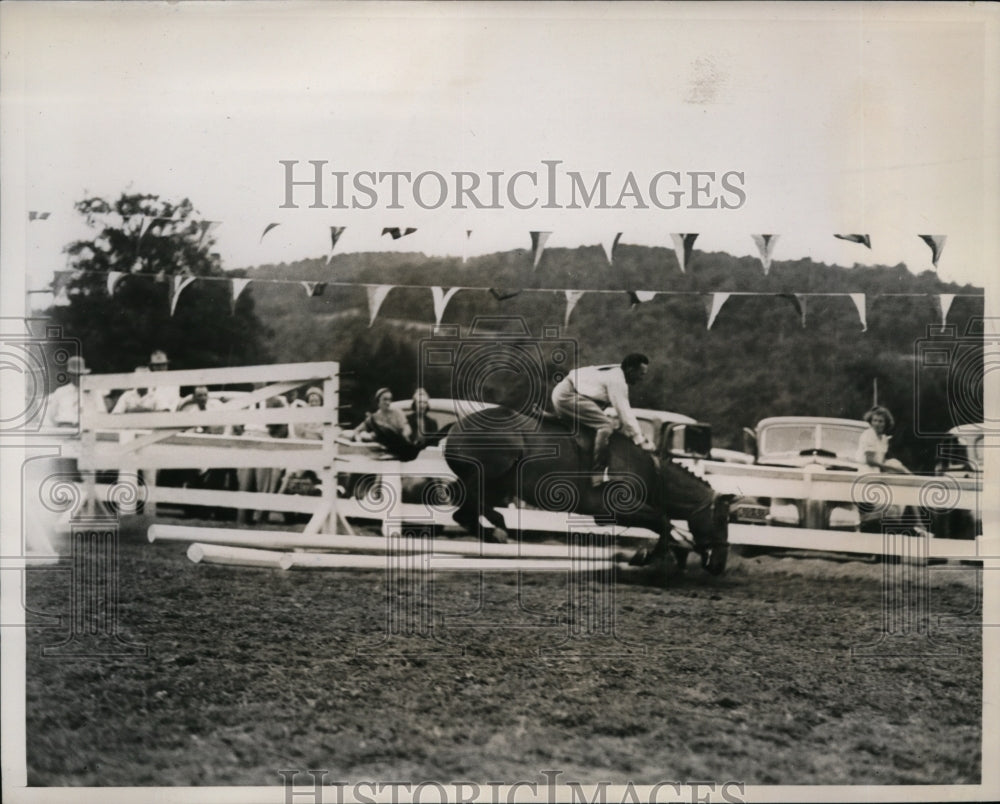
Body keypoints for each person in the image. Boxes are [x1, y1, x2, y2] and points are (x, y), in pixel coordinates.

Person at [551, 353, 656, 485]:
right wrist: (640, 440)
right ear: (631, 370)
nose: (641, 379)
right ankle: (597, 474)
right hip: (567, 395)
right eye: (641, 374)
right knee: (606, 426)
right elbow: (625, 413)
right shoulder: (617, 380)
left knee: (602, 426)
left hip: (565, 393)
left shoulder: (617, 372)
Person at [43, 355, 97, 429]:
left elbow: (98, 414)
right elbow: (51, 415)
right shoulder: (60, 392)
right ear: (69, 375)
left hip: (86, 429)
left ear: (85, 374)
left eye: (80, 374)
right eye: (74, 374)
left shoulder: (93, 391)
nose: (78, 377)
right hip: (65, 428)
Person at [857, 405, 911, 474]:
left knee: (896, 463)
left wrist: (899, 468)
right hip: (865, 472)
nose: (877, 424)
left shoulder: (884, 438)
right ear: (871, 421)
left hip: (877, 472)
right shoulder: (869, 434)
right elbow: (870, 461)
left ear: (885, 423)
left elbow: (881, 460)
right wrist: (893, 468)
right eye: (875, 420)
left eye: (880, 421)